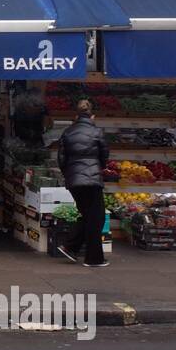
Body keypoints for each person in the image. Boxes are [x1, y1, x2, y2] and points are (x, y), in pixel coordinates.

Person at [57, 99, 110, 267]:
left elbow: (61, 158)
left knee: (88, 215)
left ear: (76, 115)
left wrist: (70, 174)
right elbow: (104, 156)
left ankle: (70, 246)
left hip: (74, 181)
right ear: (92, 116)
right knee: (97, 217)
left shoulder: (67, 132)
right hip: (92, 180)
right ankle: (93, 258)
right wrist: (97, 169)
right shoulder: (97, 132)